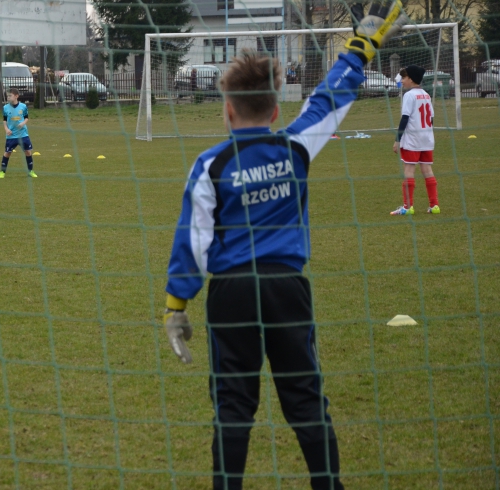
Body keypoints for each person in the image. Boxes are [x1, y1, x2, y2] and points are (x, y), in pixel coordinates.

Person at [161, 2, 406, 489]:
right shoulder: (294, 146)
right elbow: (327, 100)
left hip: (230, 293)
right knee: (305, 397)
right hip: (286, 288)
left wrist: (176, 304)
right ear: (275, 111)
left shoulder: (210, 164)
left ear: (227, 110)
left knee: (232, 404)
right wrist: (361, 47)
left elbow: (193, 236)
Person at [390, 65, 439, 215]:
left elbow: (405, 118)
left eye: (404, 78)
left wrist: (397, 140)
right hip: (426, 138)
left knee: (409, 170)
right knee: (427, 170)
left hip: (412, 140)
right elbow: (431, 118)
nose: (402, 81)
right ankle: (434, 205)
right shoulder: (426, 94)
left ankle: (407, 207)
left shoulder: (409, 95)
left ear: (410, 79)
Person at [0, 88, 37, 178]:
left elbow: (26, 118)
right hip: (11, 135)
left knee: (28, 152)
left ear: (16, 96)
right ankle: (2, 172)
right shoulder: (5, 108)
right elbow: (4, 120)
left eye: (10, 96)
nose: (8, 97)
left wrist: (23, 123)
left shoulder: (23, 106)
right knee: (7, 153)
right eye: (7, 96)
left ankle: (30, 171)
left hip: (23, 134)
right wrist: (6, 129)